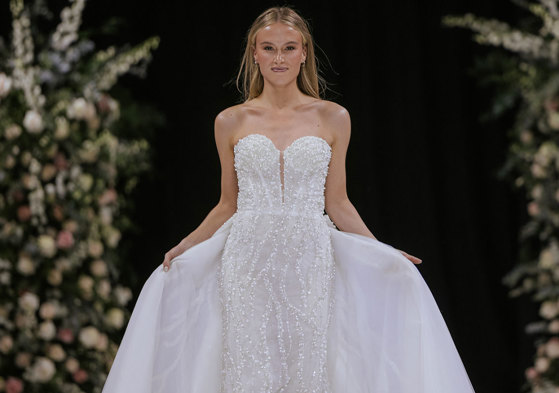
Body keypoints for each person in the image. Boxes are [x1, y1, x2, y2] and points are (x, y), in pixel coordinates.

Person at [102, 6, 476, 393]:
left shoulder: (334, 118)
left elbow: (338, 203)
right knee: (250, 364)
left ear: (303, 53)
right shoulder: (230, 121)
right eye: (269, 48)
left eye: (288, 48)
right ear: (254, 53)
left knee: (306, 363)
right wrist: (186, 244)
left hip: (309, 255)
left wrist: (381, 252)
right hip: (246, 258)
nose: (278, 58)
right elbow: (227, 203)